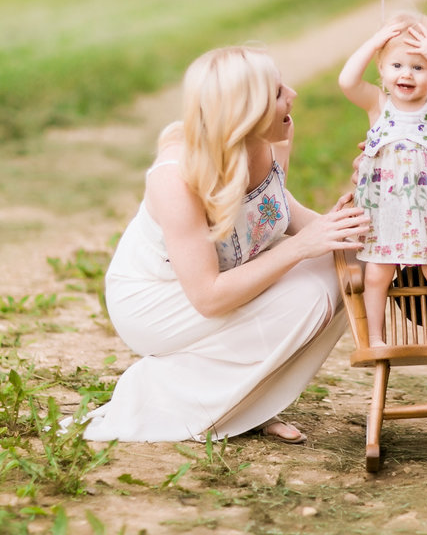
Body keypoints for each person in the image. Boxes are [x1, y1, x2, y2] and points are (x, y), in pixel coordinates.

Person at [79, 45, 370, 444]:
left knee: (351, 263)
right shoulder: (176, 178)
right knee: (308, 294)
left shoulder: (272, 140)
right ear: (245, 113)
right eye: (278, 92)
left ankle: (247, 405)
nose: (293, 95)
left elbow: (273, 208)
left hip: (224, 278)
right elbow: (209, 297)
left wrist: (345, 225)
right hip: (158, 300)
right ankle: (162, 396)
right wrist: (304, 246)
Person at [338, 12, 427, 347]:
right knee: (378, 273)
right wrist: (373, 43)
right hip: (384, 211)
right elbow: (347, 82)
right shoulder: (378, 105)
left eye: (419, 66)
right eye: (396, 65)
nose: (406, 74)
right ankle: (376, 338)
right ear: (381, 69)